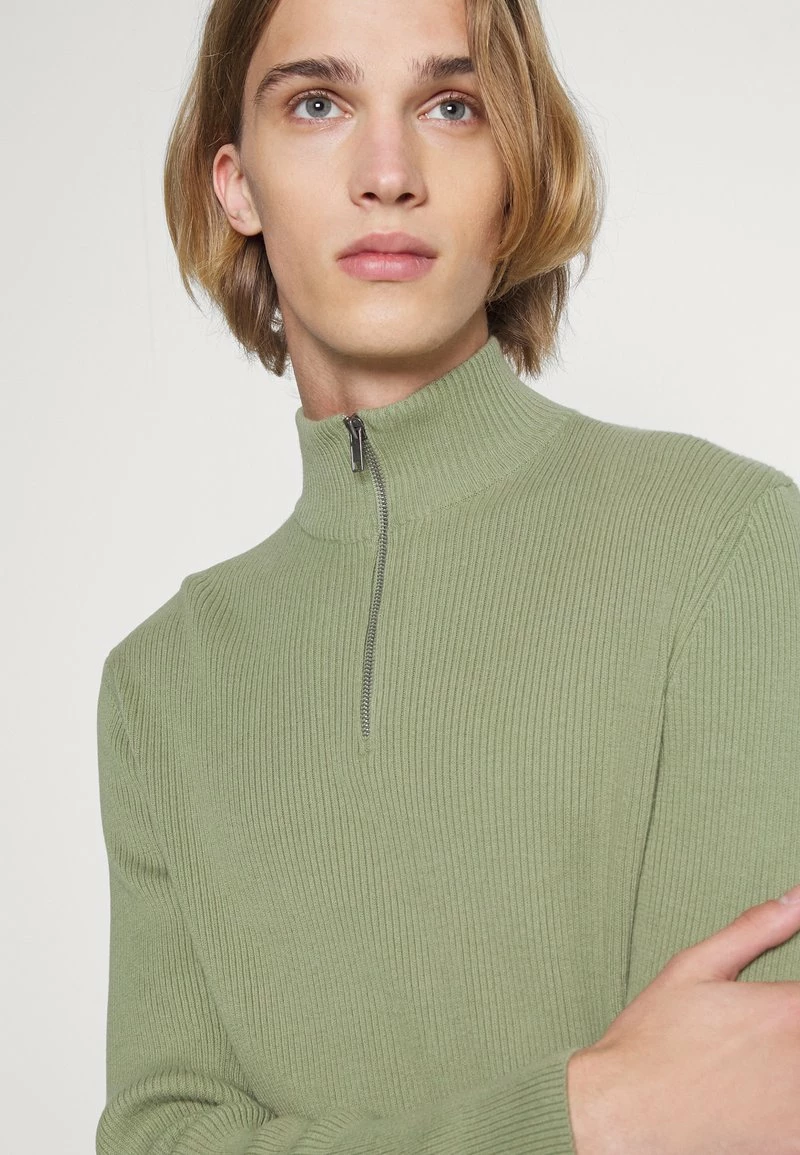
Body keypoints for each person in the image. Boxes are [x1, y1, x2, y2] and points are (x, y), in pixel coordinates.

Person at [94, 0, 800, 1151]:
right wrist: (581, 1116)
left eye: (451, 107)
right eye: (316, 103)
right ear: (236, 184)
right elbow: (155, 1137)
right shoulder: (160, 685)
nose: (388, 174)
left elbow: (739, 1108)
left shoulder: (724, 545)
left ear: (515, 177)